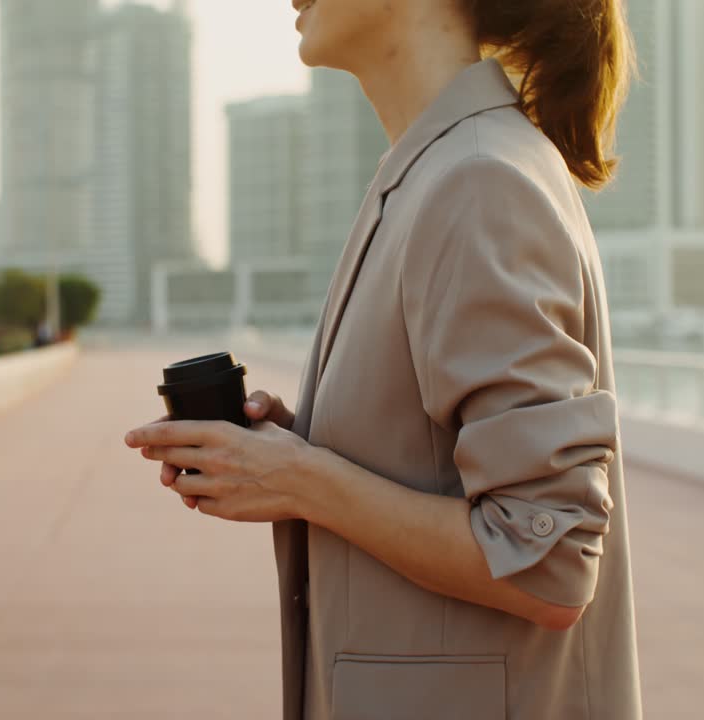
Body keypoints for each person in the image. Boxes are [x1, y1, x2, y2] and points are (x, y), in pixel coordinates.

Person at [125, 0, 640, 717]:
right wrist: (291, 451)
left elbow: (546, 563)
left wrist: (301, 479)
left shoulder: (477, 182)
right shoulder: (433, 174)